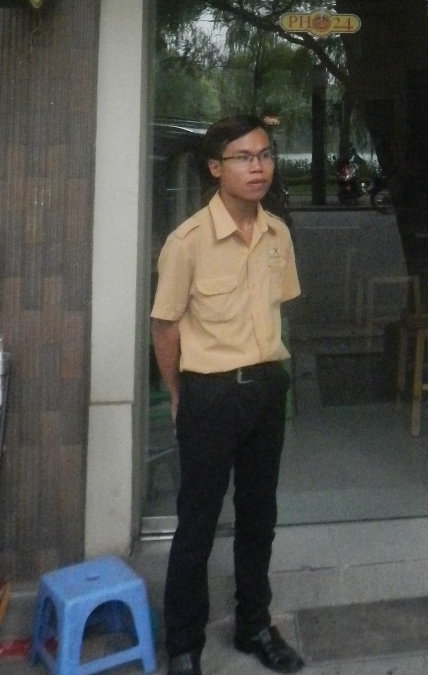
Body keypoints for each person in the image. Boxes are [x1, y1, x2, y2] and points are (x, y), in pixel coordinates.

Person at [151, 115, 304, 675]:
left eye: (265, 155)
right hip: (210, 395)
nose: (258, 167)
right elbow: (164, 326)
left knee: (259, 516)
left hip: (266, 389)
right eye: (243, 157)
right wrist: (178, 395)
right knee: (197, 521)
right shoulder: (187, 242)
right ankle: (183, 646)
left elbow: (279, 309)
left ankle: (254, 624)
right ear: (216, 168)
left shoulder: (277, 234)